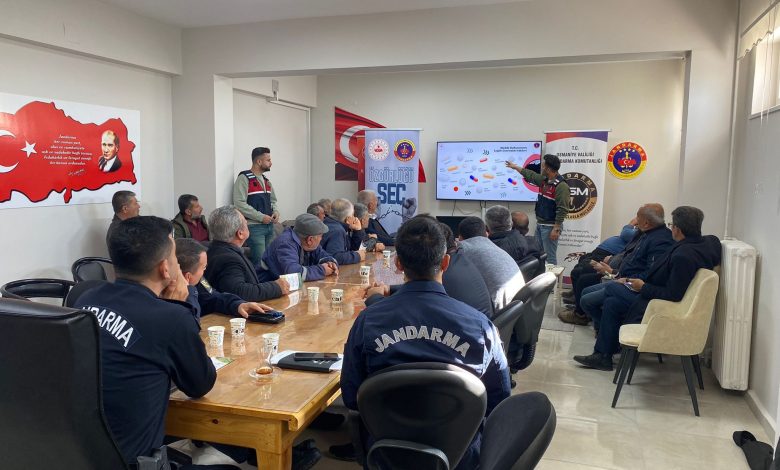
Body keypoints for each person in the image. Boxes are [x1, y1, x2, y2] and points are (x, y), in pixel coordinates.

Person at [341, 217, 511, 470]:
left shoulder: (369, 321)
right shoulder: (480, 326)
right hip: (460, 456)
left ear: (398, 264)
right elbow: (500, 398)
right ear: (445, 262)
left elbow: (351, 395)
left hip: (387, 454)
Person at [74, 216, 216, 467]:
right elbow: (200, 384)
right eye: (175, 258)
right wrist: (177, 308)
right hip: (135, 462)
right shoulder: (171, 317)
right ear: (165, 269)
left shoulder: (86, 298)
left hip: (79, 453)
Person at [574, 206, 721, 370]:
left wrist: (642, 286)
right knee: (612, 303)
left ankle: (605, 351)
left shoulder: (682, 256)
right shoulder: (708, 242)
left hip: (657, 303)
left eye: (672, 225)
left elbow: (673, 294)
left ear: (677, 229)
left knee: (611, 290)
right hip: (651, 293)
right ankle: (604, 355)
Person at [364, 220, 494, 319]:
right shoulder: (459, 261)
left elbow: (394, 314)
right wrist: (389, 288)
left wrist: (374, 298)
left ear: (398, 263)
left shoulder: (444, 278)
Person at [575, 204, 674, 333]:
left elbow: (651, 274)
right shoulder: (647, 233)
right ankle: (604, 330)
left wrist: (623, 278)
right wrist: (615, 273)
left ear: (646, 223)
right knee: (585, 292)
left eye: (638, 217)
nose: (635, 221)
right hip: (621, 277)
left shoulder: (660, 241)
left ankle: (610, 332)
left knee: (587, 300)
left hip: (632, 285)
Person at [558, 219, 638, 325]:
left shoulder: (641, 235)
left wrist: (631, 223)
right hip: (611, 266)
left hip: (614, 272)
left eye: (640, 219)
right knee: (579, 269)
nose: (637, 223)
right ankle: (576, 300)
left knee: (584, 278)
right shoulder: (641, 235)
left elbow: (625, 233)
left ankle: (580, 315)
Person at [204, 206, 289, 302]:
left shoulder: (214, 250)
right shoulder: (228, 259)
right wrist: (276, 287)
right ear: (240, 234)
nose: (247, 224)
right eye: (245, 222)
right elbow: (240, 292)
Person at [175, 238, 274, 320]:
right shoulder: (169, 297)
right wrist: (190, 290)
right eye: (203, 267)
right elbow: (191, 321)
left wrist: (238, 305)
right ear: (188, 277)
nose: (205, 270)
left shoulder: (201, 280)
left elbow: (213, 295)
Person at [505, 154, 571, 264]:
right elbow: (530, 175)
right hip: (540, 224)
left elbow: (563, 209)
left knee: (549, 258)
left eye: (543, 166)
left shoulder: (561, 186)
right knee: (538, 254)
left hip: (550, 227)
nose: (542, 168)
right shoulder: (544, 180)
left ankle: (552, 275)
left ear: (548, 169)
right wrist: (515, 167)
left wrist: (556, 228)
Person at [457, 216, 524, 310]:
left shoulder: (464, 247)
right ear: (487, 234)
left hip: (498, 311)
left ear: (460, 238)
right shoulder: (491, 245)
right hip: (515, 308)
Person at [233, 147, 279, 266]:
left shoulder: (266, 181)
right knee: (259, 263)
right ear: (259, 161)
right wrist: (260, 217)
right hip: (254, 228)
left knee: (270, 261)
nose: (271, 163)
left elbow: (273, 201)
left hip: (269, 226)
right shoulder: (244, 178)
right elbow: (239, 204)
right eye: (268, 160)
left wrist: (276, 212)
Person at [259, 213, 339, 282]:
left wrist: (330, 263)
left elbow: (323, 254)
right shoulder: (285, 244)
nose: (321, 239)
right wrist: (322, 270)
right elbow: (294, 274)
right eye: (321, 236)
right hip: (268, 288)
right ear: (310, 239)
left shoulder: (306, 242)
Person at [321, 198, 365, 265]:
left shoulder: (327, 222)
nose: (355, 218)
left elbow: (350, 249)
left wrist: (357, 231)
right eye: (353, 215)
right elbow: (335, 257)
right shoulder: (337, 231)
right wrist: (357, 256)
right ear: (348, 219)